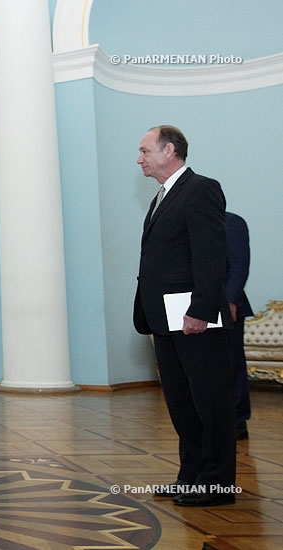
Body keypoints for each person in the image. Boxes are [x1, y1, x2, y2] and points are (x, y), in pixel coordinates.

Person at [133, 125, 236, 507]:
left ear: (169, 150)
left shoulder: (201, 188)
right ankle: (191, 476)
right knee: (181, 403)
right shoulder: (162, 196)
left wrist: (200, 311)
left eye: (145, 151)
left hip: (194, 320)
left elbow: (211, 255)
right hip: (164, 319)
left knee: (210, 402)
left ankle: (217, 483)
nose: (139, 159)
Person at [225, 212, 252, 440]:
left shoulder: (231, 222)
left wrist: (230, 300)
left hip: (228, 307)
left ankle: (238, 421)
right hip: (197, 307)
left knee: (232, 363)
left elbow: (239, 265)